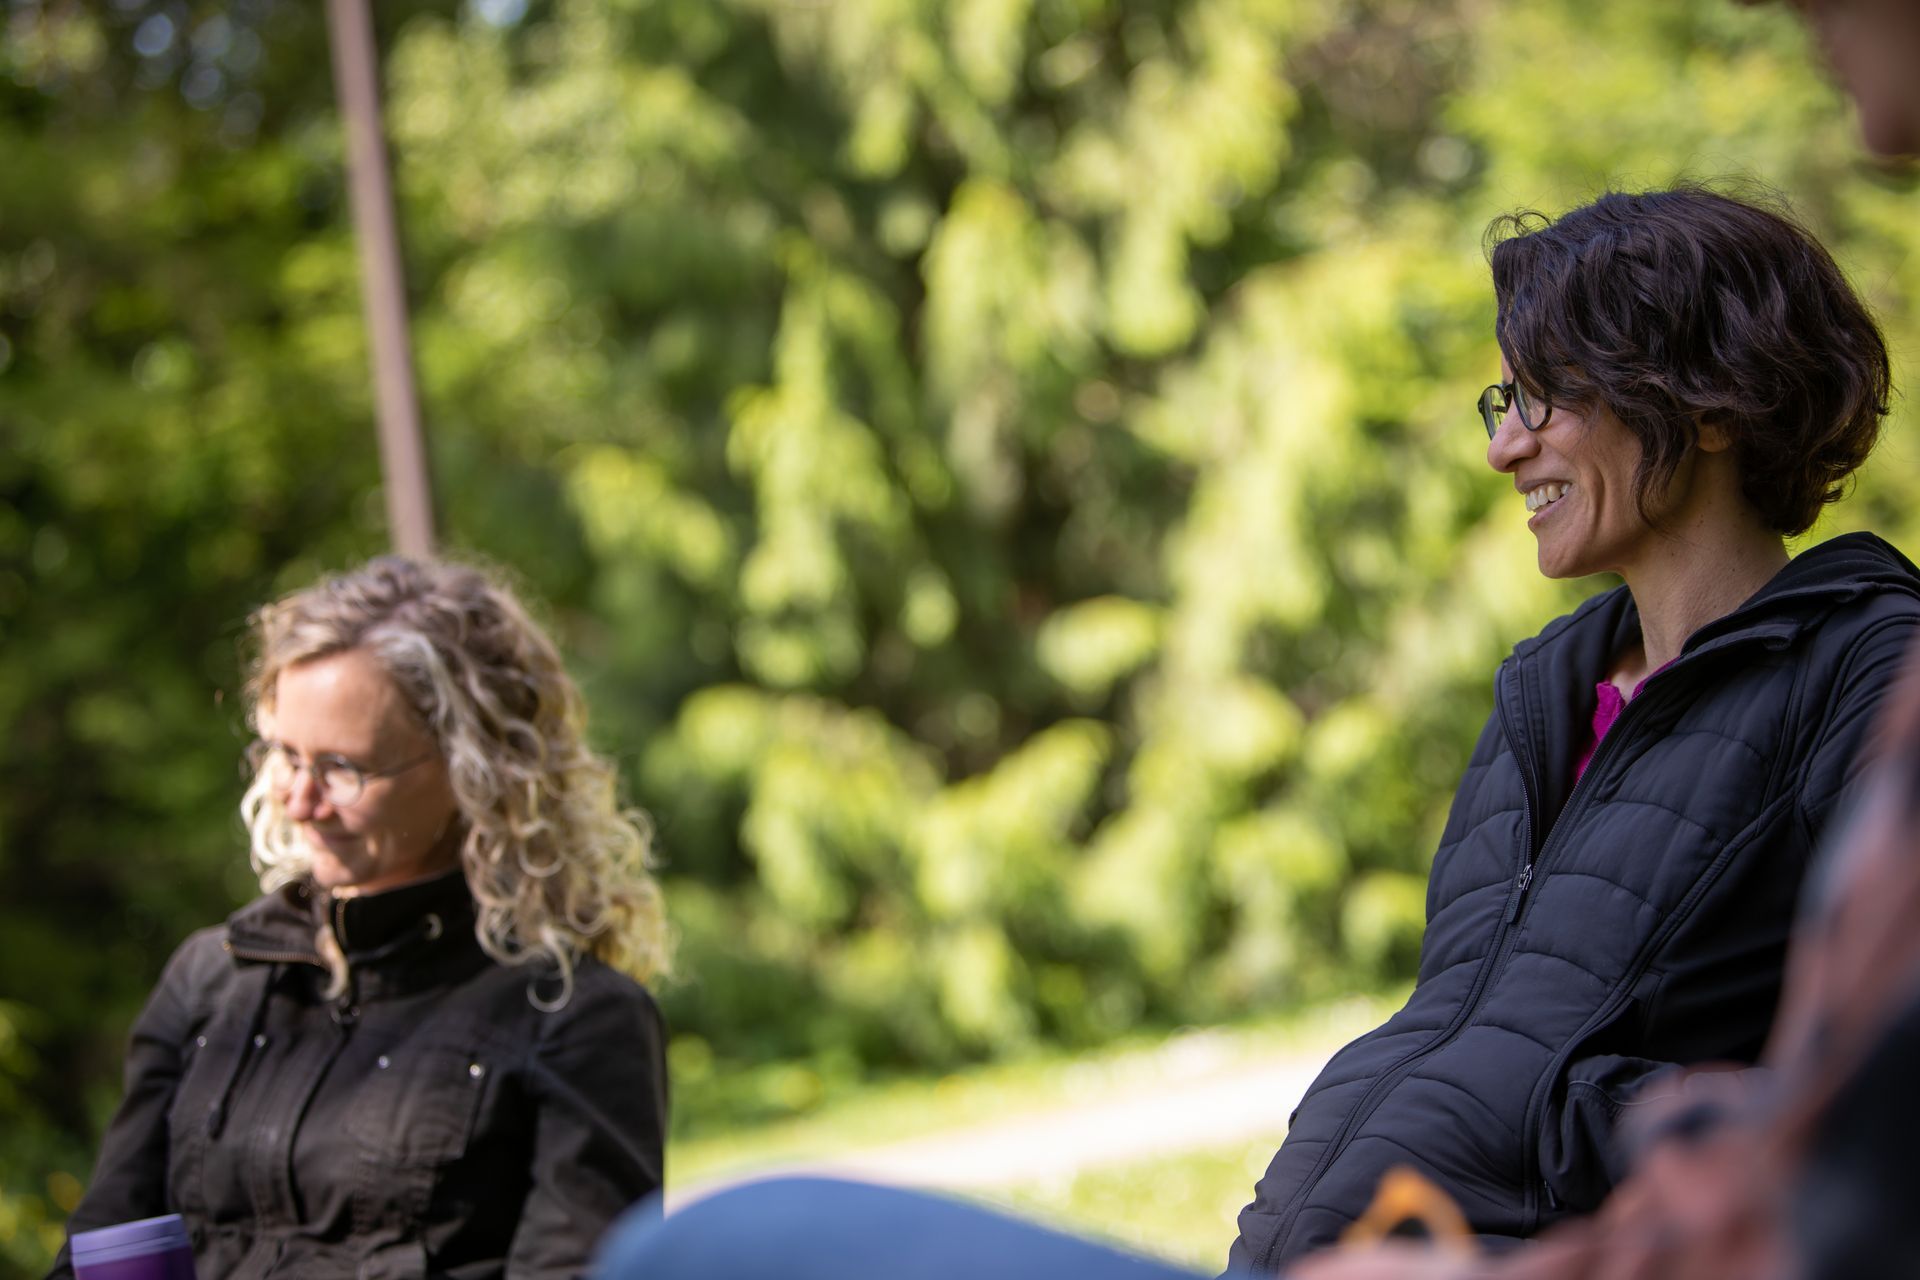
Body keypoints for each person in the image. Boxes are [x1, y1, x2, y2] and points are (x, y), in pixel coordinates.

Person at [592, 182, 1920, 1279]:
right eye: (1498, 403)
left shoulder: (1866, 670)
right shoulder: (1546, 692)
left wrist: (1553, 1131)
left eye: (1544, 397)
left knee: (716, 1251)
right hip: (1302, 1259)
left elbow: (1853, 1128)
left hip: (1500, 1264)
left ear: (1707, 399)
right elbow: (1457, 1025)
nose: (1506, 448)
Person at [50, 557, 671, 1279]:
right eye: (285, 756)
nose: (299, 800)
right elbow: (109, 1251)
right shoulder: (209, 981)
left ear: (473, 768)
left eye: (343, 768)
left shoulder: (573, 1019)